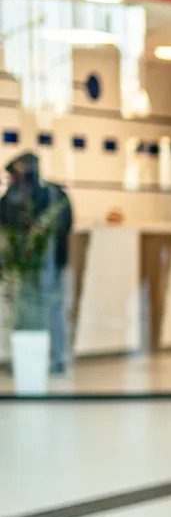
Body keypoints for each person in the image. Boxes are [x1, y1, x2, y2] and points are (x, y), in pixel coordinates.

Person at [0, 152, 73, 374]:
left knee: (49, 309)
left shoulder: (53, 195)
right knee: (22, 311)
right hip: (21, 268)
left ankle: (55, 358)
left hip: (48, 265)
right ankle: (27, 359)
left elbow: (64, 226)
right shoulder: (11, 199)